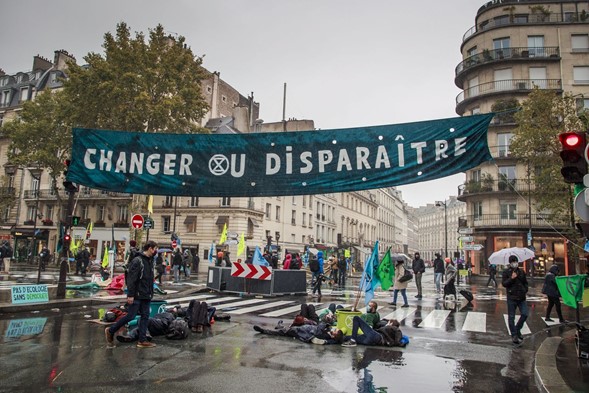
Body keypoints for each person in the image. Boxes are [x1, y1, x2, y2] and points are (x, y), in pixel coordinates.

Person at [105, 240, 158, 348]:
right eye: (155, 248)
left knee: (145, 316)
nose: (156, 251)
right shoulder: (138, 261)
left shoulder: (150, 261)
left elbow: (148, 278)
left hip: (146, 294)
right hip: (138, 294)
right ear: (150, 248)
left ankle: (142, 340)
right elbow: (132, 279)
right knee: (131, 316)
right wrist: (130, 295)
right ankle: (111, 330)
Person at [502, 255, 529, 345]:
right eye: (513, 262)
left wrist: (525, 290)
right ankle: (514, 335)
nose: (515, 263)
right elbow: (504, 283)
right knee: (511, 317)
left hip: (521, 297)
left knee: (525, 314)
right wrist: (511, 278)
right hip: (511, 297)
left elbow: (525, 282)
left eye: (516, 261)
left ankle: (517, 329)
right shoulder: (506, 272)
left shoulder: (521, 271)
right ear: (510, 263)